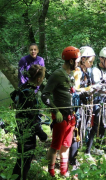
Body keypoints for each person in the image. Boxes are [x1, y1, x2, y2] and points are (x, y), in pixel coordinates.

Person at [41, 46, 81, 177]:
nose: (78, 63)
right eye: (77, 60)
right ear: (71, 61)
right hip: (60, 116)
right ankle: (50, 173)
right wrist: (55, 110)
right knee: (55, 146)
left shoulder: (69, 75)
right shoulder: (57, 75)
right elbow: (44, 95)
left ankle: (64, 172)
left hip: (70, 116)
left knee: (66, 145)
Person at [12, 65, 48, 180]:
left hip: (20, 127)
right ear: (38, 79)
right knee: (25, 162)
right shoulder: (30, 94)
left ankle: (15, 177)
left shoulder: (23, 87)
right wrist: (42, 135)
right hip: (27, 132)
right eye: (42, 77)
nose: (42, 80)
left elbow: (13, 95)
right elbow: (33, 121)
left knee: (20, 159)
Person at [85, 47, 106, 157]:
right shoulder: (95, 71)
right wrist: (105, 90)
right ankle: (87, 150)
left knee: (104, 125)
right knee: (95, 125)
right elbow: (96, 85)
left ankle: (98, 147)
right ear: (101, 59)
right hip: (96, 101)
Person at [69, 46, 96, 170]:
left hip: (84, 105)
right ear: (83, 59)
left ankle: (75, 158)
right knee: (76, 132)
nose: (91, 64)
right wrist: (89, 89)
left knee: (81, 130)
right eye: (90, 61)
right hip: (77, 106)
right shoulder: (77, 71)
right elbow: (76, 88)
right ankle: (72, 161)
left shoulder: (87, 71)